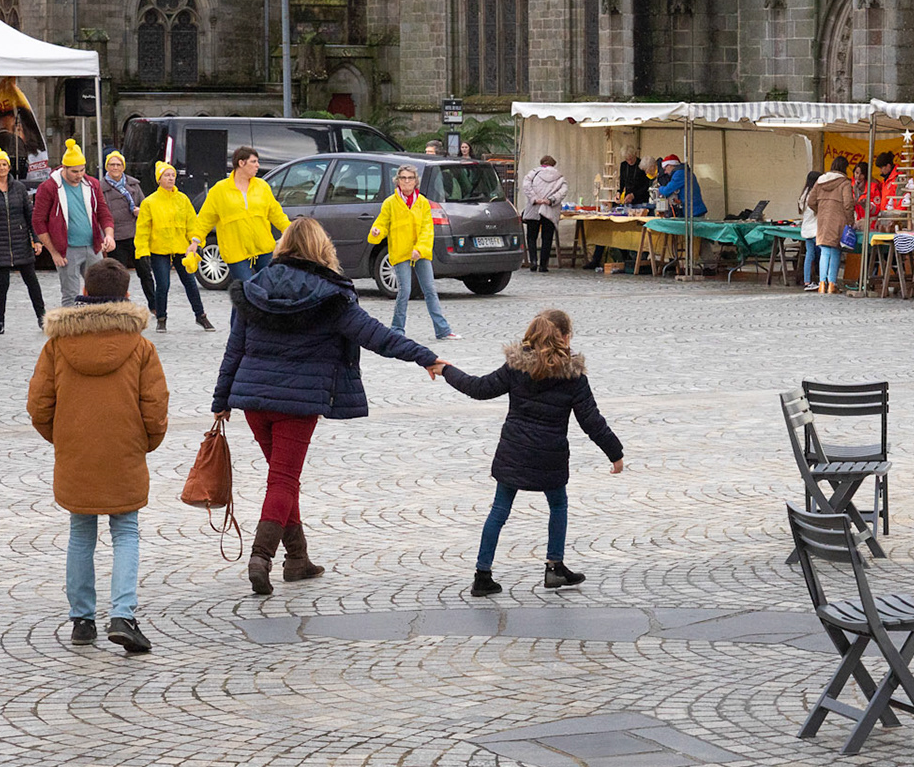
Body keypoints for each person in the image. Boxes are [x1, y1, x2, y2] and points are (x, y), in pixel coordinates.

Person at [211, 218, 443, 595]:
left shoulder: (252, 288)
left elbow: (234, 347)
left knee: (280, 479)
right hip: (298, 403)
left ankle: (298, 559)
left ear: (283, 246)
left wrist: (221, 400)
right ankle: (261, 556)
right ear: (322, 248)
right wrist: (426, 357)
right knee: (283, 480)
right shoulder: (331, 295)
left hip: (253, 401)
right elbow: (377, 336)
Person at [26, 257, 167, 655]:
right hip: (124, 451)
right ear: (125, 296)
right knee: (125, 532)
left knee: (80, 533)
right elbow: (155, 407)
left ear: (84, 293)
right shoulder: (140, 346)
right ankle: (123, 615)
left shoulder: (57, 344)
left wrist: (63, 439)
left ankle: (82, 620)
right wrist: (144, 443)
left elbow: (39, 404)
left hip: (76, 452)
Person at [443, 308, 624, 595]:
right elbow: (592, 420)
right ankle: (554, 568)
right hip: (549, 456)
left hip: (513, 451)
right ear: (564, 338)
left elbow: (478, 388)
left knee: (499, 510)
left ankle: (482, 575)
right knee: (558, 506)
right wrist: (615, 453)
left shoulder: (516, 367)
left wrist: (445, 369)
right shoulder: (573, 376)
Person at [368, 164, 458, 340]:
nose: (406, 181)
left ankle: (443, 330)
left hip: (420, 252)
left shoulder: (423, 202)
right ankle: (397, 329)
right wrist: (376, 231)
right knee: (405, 291)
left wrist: (420, 249)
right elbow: (382, 223)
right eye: (403, 178)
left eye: (410, 178)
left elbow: (427, 230)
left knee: (430, 289)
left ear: (416, 181)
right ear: (398, 181)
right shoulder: (390, 203)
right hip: (400, 251)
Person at [32, 139, 116, 306]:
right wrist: (54, 252)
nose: (79, 175)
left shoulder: (92, 184)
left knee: (100, 291)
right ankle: (71, 331)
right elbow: (38, 221)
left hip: (93, 247)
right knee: (70, 294)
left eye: (82, 170)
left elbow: (103, 213)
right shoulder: (49, 188)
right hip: (67, 249)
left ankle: (97, 328)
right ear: (64, 168)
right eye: (74, 171)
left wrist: (109, 235)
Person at [0, 147, 46, 334]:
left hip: (21, 241)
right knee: (2, 284)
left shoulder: (19, 188)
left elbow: (30, 215)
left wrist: (36, 239)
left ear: (9, 166)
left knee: (32, 282)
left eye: (4, 164)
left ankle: (42, 317)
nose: (2, 167)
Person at [190, 146, 289, 285]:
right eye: (253, 162)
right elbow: (205, 219)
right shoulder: (219, 190)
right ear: (241, 163)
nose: (258, 166)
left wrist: (290, 231)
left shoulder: (262, 186)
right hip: (236, 252)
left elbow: (276, 213)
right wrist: (195, 241)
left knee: (268, 287)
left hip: (263, 249)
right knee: (246, 289)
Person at [138, 162, 213, 333]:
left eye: (172, 175)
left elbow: (192, 223)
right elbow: (143, 229)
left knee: (190, 283)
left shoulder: (183, 199)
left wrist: (195, 243)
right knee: (163, 284)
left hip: (181, 249)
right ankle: (161, 317)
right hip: (159, 250)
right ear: (159, 179)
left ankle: (200, 315)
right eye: (167, 175)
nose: (171, 178)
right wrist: (142, 251)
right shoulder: (150, 202)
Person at [99, 151, 157, 303]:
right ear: (107, 167)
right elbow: (99, 213)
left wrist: (140, 211)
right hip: (116, 237)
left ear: (123, 167)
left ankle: (154, 304)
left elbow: (145, 206)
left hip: (136, 235)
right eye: (112, 164)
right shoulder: (100, 187)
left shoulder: (134, 185)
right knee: (118, 275)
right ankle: (119, 303)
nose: (115, 167)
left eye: (118, 164)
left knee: (145, 272)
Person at [809, 157, 854, 295]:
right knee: (835, 251)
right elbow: (848, 204)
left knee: (824, 251)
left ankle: (822, 284)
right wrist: (850, 220)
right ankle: (832, 284)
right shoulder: (844, 183)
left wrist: (820, 210)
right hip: (838, 220)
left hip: (823, 220)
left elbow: (810, 201)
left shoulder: (820, 181)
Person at [520, 155, 568, 274]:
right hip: (549, 210)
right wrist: (551, 200)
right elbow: (563, 191)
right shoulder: (560, 177)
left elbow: (526, 186)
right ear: (553, 164)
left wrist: (535, 198)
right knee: (547, 237)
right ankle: (543, 265)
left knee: (532, 236)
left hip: (534, 208)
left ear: (541, 163)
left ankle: (533, 261)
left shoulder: (533, 173)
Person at [797, 169, 823, 291]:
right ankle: (823, 279)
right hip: (815, 229)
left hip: (806, 230)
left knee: (809, 255)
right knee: (824, 254)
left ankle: (807, 280)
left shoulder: (803, 195)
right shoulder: (814, 195)